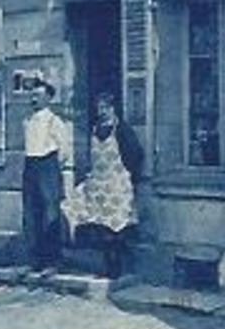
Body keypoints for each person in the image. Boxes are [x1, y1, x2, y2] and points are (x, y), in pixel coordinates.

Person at [63, 92, 144, 278]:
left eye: (105, 108)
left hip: (117, 186)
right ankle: (108, 266)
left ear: (113, 108)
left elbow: (136, 154)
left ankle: (118, 269)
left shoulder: (122, 130)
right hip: (98, 187)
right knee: (98, 225)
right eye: (99, 108)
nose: (102, 112)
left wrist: (129, 176)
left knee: (116, 228)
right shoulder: (94, 129)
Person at [21, 79, 74, 273]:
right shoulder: (27, 120)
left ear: (48, 98)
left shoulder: (55, 121)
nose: (34, 99)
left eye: (39, 95)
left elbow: (64, 150)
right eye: (32, 95)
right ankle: (36, 259)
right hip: (31, 166)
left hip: (47, 166)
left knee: (49, 213)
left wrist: (51, 168)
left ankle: (53, 261)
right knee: (30, 213)